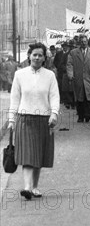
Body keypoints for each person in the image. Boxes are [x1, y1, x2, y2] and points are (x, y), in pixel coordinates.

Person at [8, 43, 60, 200]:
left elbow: (54, 96)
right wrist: (11, 119)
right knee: (28, 154)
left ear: (44, 58)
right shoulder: (20, 74)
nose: (37, 58)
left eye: (40, 55)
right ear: (29, 56)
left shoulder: (50, 75)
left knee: (39, 154)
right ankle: (27, 187)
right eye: (34, 54)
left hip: (44, 119)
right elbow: (14, 98)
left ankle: (35, 187)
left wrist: (54, 114)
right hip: (25, 119)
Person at [66, 35, 90, 123]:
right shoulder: (73, 52)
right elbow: (69, 64)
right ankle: (80, 116)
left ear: (87, 42)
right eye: (82, 42)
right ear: (79, 43)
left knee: (88, 97)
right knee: (79, 98)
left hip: (89, 77)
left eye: (85, 41)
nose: (83, 43)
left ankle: (87, 114)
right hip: (78, 78)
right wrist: (70, 74)